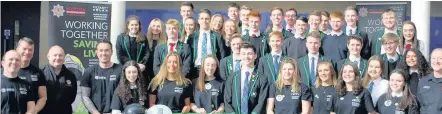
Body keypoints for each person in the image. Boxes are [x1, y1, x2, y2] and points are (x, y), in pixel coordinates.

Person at [224, 43, 268, 114]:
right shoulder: (232, 77)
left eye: (249, 53)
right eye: (243, 54)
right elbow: (227, 100)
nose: (246, 56)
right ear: (240, 56)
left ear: (255, 56)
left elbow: (261, 102)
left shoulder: (262, 78)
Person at [81, 40, 123, 114]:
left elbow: (125, 93)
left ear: (112, 52)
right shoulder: (89, 71)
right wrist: (95, 113)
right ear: (97, 52)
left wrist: (115, 111)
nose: (104, 53)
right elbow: (85, 96)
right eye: (101, 50)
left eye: (107, 50)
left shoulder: (121, 70)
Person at [188, 9, 227, 79]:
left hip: (212, 70)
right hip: (196, 71)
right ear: (198, 20)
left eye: (207, 19)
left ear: (210, 20)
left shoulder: (217, 36)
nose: (204, 21)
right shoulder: (192, 37)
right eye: (202, 18)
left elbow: (222, 56)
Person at [40, 46, 77, 114]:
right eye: (55, 55)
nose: (57, 58)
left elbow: (72, 97)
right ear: (48, 56)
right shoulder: (41, 74)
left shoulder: (71, 76)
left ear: (64, 57)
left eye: (60, 55)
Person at [16, 37, 47, 113]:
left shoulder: (38, 73)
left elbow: (43, 97)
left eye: (30, 50)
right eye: (24, 49)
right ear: (17, 49)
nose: (27, 52)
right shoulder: (6, 71)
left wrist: (33, 111)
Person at [116, 15, 150, 81]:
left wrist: (141, 65)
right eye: (132, 25)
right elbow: (120, 55)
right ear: (128, 26)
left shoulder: (143, 37)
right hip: (126, 70)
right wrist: (131, 65)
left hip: (140, 70)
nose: (134, 27)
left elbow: (147, 53)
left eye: (136, 25)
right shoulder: (121, 38)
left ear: (139, 26)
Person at [1, 50, 36, 114]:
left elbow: (31, 109)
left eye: (17, 60)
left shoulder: (27, 85)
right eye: (11, 59)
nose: (14, 62)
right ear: (3, 63)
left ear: (20, 64)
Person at [417, 48, 442, 114]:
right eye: (433, 58)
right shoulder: (423, 82)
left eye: (440, 58)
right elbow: (419, 104)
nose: (436, 61)